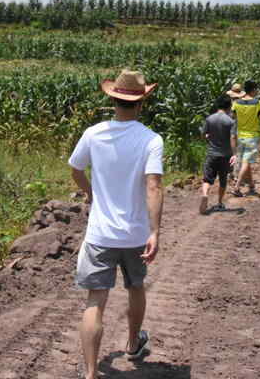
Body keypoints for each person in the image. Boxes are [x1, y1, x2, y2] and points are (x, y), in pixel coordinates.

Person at [68, 69, 164, 379]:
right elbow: (153, 186)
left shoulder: (94, 133)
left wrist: (91, 193)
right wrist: (154, 231)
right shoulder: (151, 139)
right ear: (141, 103)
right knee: (136, 286)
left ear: (112, 99)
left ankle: (91, 373)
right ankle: (134, 345)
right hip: (135, 234)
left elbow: (75, 168)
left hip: (100, 235)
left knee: (95, 300)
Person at [199, 94, 237, 214]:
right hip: (225, 156)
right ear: (229, 107)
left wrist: (207, 137)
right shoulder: (230, 121)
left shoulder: (210, 119)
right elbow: (232, 138)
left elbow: (203, 134)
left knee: (207, 179)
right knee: (223, 180)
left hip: (212, 154)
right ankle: (220, 203)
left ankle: (205, 194)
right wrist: (234, 154)